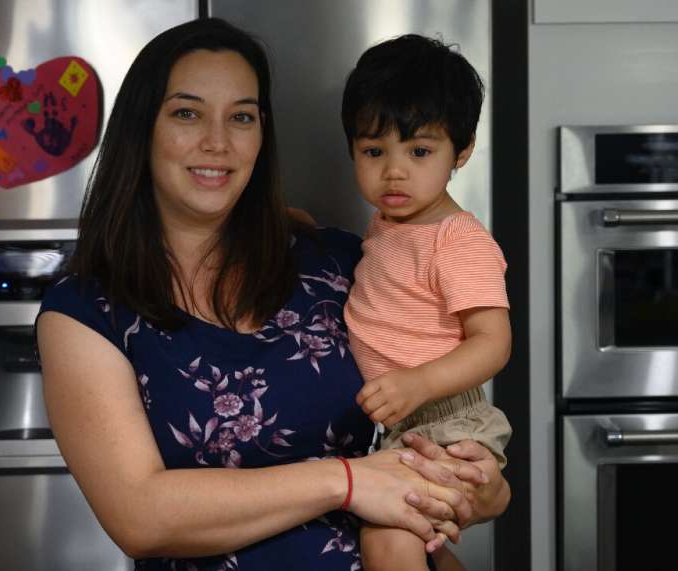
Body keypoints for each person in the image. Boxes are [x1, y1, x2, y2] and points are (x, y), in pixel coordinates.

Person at [36, 18, 510, 571]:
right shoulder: (87, 312)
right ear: (142, 130)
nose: (217, 141)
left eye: (241, 117)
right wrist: (347, 481)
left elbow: (444, 385)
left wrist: (488, 491)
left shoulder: (335, 263)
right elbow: (141, 518)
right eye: (187, 113)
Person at [341, 34, 513, 571]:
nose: (394, 171)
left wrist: (418, 383)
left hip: (446, 420)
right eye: (374, 152)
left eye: (419, 151)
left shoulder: (456, 238)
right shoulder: (392, 219)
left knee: (388, 538)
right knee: (414, 542)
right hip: (402, 422)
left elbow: (493, 343)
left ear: (461, 151)